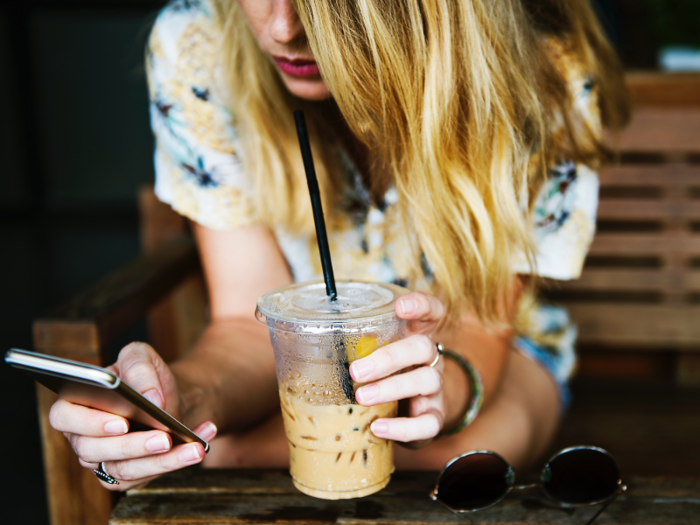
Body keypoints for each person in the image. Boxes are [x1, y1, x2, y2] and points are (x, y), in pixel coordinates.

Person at [48, 0, 629, 491]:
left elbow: (482, 326)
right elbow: (248, 325)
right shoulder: (198, 45)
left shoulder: (541, 72)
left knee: (466, 455)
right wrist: (182, 401)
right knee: (356, 455)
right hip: (300, 366)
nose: (282, 28)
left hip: (488, 350)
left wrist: (438, 389)